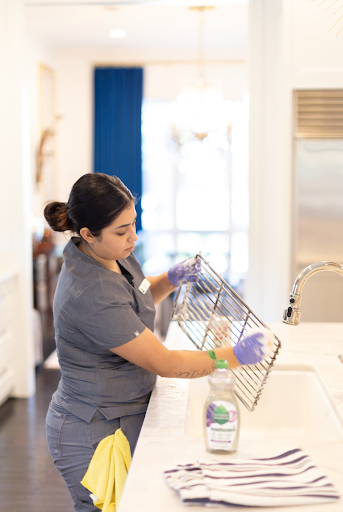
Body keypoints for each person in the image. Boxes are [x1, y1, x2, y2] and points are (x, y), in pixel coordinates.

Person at [44, 173, 269, 512]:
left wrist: (169, 279)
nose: (132, 237)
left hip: (123, 412)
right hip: (92, 431)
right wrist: (234, 355)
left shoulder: (107, 253)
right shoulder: (91, 292)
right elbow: (166, 363)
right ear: (88, 233)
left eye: (133, 223)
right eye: (121, 231)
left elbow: (135, 292)